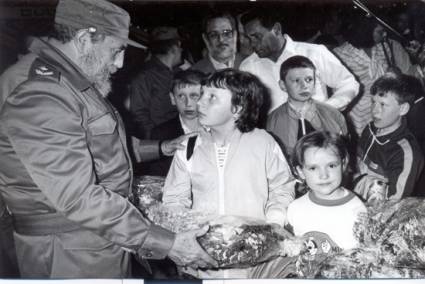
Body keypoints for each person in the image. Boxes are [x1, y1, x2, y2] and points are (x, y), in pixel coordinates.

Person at [0, 0, 217, 278]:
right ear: (83, 40)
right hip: (69, 254)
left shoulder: (70, 84)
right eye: (116, 51)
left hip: (100, 238)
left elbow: (100, 147)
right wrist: (167, 242)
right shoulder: (42, 93)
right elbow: (77, 196)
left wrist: (161, 147)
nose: (119, 64)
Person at [162, 69, 295, 278]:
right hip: (201, 264)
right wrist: (185, 235)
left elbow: (282, 187)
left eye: (211, 97)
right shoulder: (188, 147)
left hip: (254, 264)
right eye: (202, 94)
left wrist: (273, 222)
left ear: (237, 108)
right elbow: (173, 199)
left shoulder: (263, 143)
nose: (200, 103)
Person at [239, 9, 359, 113]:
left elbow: (348, 83)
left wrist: (326, 110)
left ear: (276, 29)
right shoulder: (248, 68)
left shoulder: (314, 53)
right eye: (249, 38)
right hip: (272, 137)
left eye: (257, 37)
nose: (252, 44)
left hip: (318, 135)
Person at [333, 14, 419, 137]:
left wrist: (399, 76)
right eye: (380, 32)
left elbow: (409, 79)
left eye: (385, 31)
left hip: (387, 118)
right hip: (356, 121)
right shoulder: (340, 54)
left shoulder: (388, 47)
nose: (385, 35)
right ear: (364, 30)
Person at [288, 131, 367, 251]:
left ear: (343, 164)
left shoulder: (357, 210)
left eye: (331, 166)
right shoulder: (295, 208)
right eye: (313, 168)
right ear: (300, 172)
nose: (323, 175)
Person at [356, 73, 424, 202]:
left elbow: (394, 201)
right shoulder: (370, 129)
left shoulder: (405, 152)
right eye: (373, 102)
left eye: (383, 104)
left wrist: (362, 182)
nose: (375, 110)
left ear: (402, 109)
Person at [267, 55, 348, 156]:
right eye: (296, 80)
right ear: (283, 85)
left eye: (309, 79)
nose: (304, 86)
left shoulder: (333, 114)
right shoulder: (273, 120)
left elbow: (344, 152)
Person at [145, 69, 204, 176]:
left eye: (194, 96)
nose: (188, 103)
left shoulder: (217, 129)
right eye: (181, 96)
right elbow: (158, 177)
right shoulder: (160, 133)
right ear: (172, 98)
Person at [130, 26, 183, 139]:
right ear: (174, 48)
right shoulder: (145, 75)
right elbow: (138, 114)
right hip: (161, 140)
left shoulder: (179, 73)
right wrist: (155, 142)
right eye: (180, 47)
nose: (182, 51)